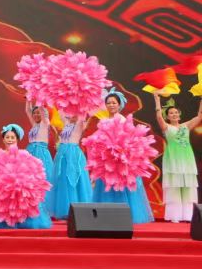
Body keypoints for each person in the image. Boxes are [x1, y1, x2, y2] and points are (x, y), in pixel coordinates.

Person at [91, 88, 153, 223]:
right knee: (107, 186)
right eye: (108, 103)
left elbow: (131, 138)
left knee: (121, 187)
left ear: (119, 105)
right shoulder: (103, 121)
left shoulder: (123, 119)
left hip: (121, 160)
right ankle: (107, 215)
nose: (111, 105)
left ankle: (123, 216)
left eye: (114, 103)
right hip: (107, 160)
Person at [0, 124, 52, 229]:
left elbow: (33, 174)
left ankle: (20, 219)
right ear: (3, 139)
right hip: (2, 194)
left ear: (17, 139)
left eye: (12, 137)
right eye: (7, 137)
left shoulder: (24, 156)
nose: (10, 140)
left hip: (21, 195)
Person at [152, 93, 199, 223]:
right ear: (167, 116)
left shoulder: (186, 126)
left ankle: (188, 216)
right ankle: (175, 216)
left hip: (187, 159)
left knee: (188, 187)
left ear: (179, 114)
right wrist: (157, 100)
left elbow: (199, 116)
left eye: (176, 112)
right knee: (174, 186)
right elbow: (158, 116)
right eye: (171, 113)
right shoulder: (166, 127)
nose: (174, 115)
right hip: (173, 159)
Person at [49, 113, 91, 219]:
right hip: (62, 155)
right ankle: (65, 209)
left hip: (73, 155)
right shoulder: (66, 122)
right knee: (63, 180)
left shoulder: (80, 122)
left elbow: (84, 112)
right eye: (71, 113)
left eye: (74, 113)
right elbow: (61, 110)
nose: (72, 115)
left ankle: (77, 210)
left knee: (73, 179)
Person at [24, 102, 55, 216]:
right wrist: (28, 100)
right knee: (30, 181)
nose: (36, 115)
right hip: (30, 153)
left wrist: (40, 100)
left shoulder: (45, 123)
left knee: (42, 180)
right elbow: (28, 111)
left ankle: (44, 209)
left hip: (41, 154)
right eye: (35, 113)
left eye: (39, 113)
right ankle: (31, 207)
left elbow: (43, 111)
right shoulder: (34, 124)